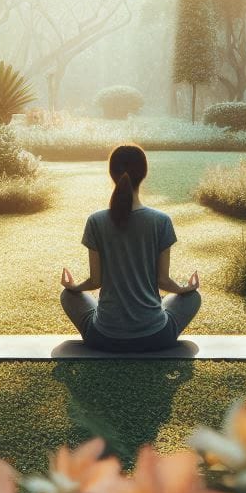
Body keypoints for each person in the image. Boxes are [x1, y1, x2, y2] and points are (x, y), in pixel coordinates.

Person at [60, 143, 201, 352]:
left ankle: (144, 309)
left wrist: (74, 288)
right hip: (156, 336)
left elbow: (95, 281)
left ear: (111, 174)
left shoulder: (96, 221)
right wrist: (184, 289)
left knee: (67, 296)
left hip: (104, 337)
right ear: (144, 174)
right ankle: (152, 308)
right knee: (193, 297)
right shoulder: (161, 221)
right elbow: (162, 281)